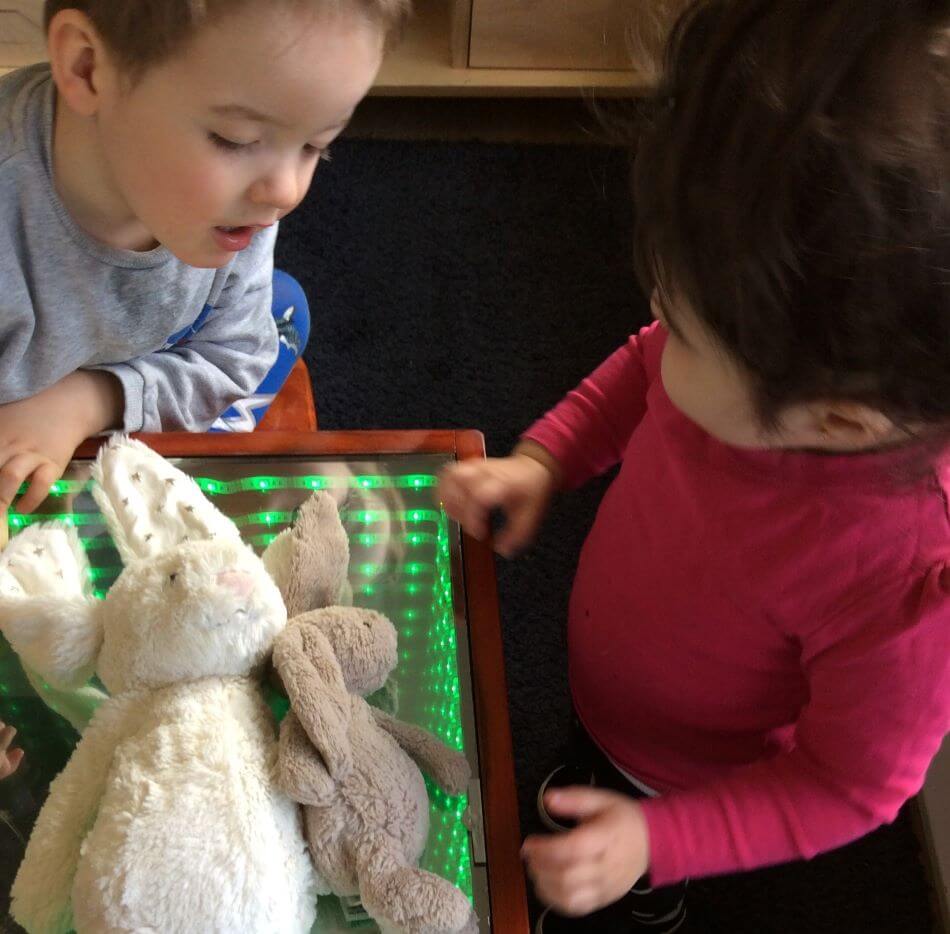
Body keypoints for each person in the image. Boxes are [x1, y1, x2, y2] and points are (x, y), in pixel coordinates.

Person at [439, 1, 950, 931]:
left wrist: (656, 842)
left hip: (683, 783)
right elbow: (640, 371)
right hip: (614, 693)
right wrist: (546, 460)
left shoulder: (904, 584)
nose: (655, 326)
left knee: (616, 884)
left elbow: (849, 788)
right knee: (574, 773)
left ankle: (644, 895)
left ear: (837, 420)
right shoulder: (759, 375)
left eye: (684, 327)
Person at [0, 0, 409, 535]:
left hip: (101, 387)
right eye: (235, 140)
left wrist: (92, 399)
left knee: (284, 314)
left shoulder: (242, 199)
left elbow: (239, 355)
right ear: (86, 67)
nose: (285, 191)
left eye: (316, 146)